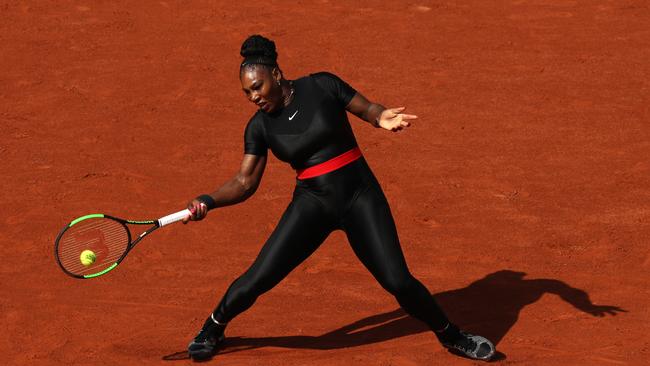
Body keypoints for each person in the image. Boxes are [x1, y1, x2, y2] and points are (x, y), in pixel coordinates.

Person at [182, 34, 495, 362]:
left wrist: (380, 117)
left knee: (399, 281)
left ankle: (452, 335)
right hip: (313, 205)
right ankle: (213, 327)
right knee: (258, 278)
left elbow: (367, 108)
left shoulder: (321, 86)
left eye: (257, 86)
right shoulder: (259, 127)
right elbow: (244, 182)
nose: (253, 97)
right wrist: (208, 199)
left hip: (361, 197)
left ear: (276, 74)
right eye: (247, 92)